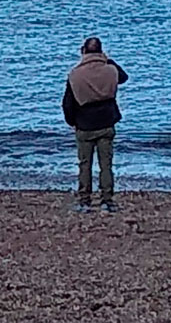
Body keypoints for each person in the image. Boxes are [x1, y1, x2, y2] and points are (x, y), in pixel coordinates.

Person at [62, 37, 128, 213]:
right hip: (106, 122)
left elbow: (68, 104)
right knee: (106, 164)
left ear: (83, 51)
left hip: (84, 124)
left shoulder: (75, 74)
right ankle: (108, 200)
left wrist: (71, 122)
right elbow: (124, 77)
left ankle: (85, 201)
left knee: (85, 164)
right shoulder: (110, 70)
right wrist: (107, 59)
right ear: (101, 51)